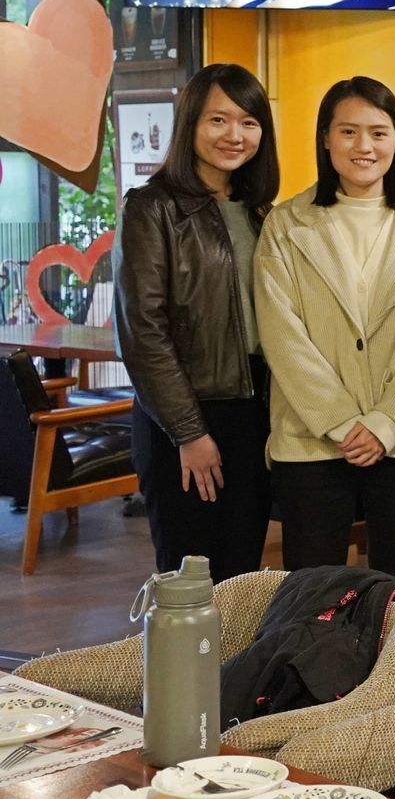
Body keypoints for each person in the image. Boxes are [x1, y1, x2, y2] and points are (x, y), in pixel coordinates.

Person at [254, 78, 395, 590]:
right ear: (325, 138)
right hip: (310, 439)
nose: (364, 146)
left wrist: (385, 422)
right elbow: (281, 334)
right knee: (311, 593)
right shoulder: (285, 225)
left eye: (379, 133)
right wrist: (340, 422)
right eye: (348, 131)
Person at [115, 63, 280, 581]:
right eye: (218, 120)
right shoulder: (152, 207)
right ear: (190, 123)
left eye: (249, 122)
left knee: (240, 576)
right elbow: (143, 330)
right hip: (185, 414)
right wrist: (189, 432)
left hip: (255, 412)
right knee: (188, 580)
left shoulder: (261, 213)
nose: (235, 135)